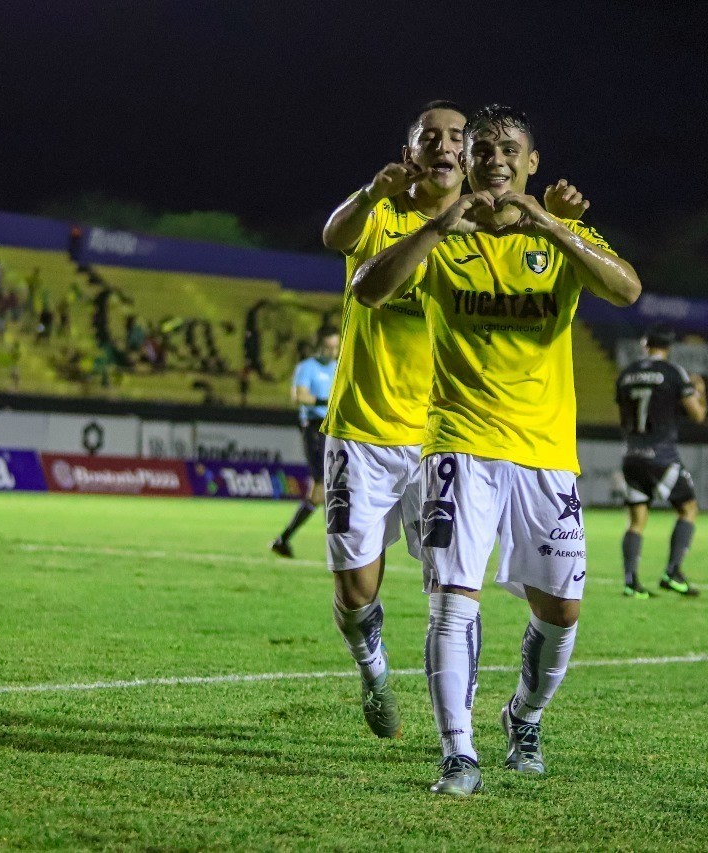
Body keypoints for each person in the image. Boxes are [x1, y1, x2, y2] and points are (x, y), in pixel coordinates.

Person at [353, 104, 641, 796]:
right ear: (470, 162)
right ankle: (458, 752)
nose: (496, 159)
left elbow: (627, 289)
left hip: (547, 457)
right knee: (452, 601)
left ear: (532, 163)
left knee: (562, 611)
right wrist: (432, 226)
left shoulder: (561, 235)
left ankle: (525, 717)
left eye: (511, 149)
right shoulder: (444, 237)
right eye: (484, 150)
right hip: (460, 447)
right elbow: (368, 289)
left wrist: (551, 223)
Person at [319, 100, 594, 741]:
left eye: (457, 137)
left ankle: (470, 732)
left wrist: (556, 227)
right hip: (364, 427)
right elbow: (338, 244)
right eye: (431, 137)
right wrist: (372, 193)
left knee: (451, 591)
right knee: (357, 590)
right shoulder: (387, 215)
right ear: (412, 150)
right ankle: (374, 668)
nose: (446, 146)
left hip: (444, 435)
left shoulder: (493, 229)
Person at [616, 324, 708, 599]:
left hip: (632, 454)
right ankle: (672, 572)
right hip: (662, 456)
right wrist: (698, 391)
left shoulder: (627, 374)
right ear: (668, 348)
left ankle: (631, 582)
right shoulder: (673, 372)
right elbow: (697, 416)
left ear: (645, 346)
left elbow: (622, 414)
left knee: (636, 521)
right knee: (688, 509)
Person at [271, 327, 341, 558]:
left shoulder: (338, 366)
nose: (332, 351)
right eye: (328, 347)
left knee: (326, 490)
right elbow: (299, 396)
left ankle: (285, 539)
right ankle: (288, 539)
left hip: (334, 430)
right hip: (314, 430)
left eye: (335, 347)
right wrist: (324, 401)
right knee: (322, 488)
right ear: (318, 346)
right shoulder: (307, 367)